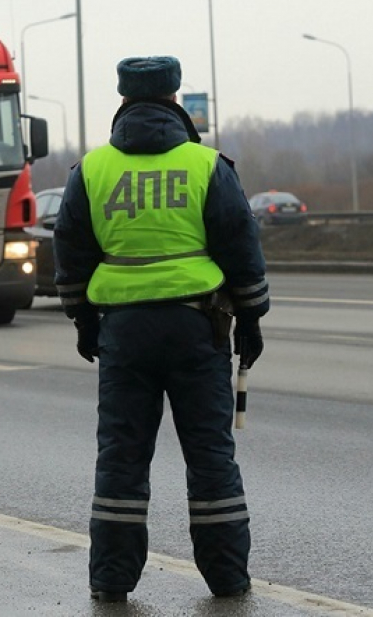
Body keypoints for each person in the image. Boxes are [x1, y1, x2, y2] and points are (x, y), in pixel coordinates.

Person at [53, 55, 269, 603]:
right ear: (176, 100)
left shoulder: (92, 170)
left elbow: (71, 251)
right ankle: (227, 579)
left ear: (122, 101)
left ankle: (110, 581)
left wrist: (82, 318)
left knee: (122, 457)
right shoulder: (206, 166)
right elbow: (240, 244)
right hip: (199, 329)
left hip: (123, 334)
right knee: (210, 456)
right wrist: (251, 317)